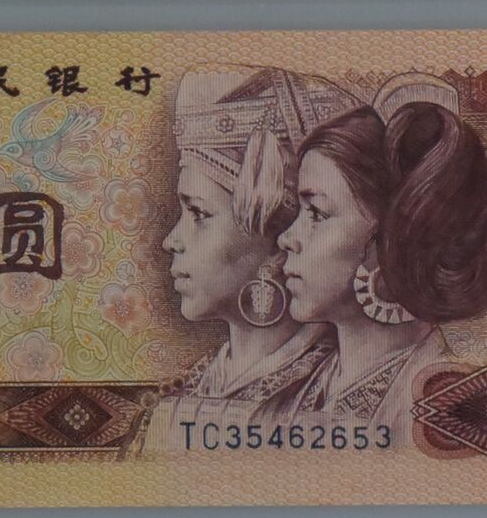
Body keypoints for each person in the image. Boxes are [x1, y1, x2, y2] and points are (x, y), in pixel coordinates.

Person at [266, 72, 487, 441]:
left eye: (316, 213)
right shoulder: (285, 401)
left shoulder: (451, 410)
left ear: (390, 236)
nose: (286, 238)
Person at [145, 65, 360, 451]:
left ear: (280, 238)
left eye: (199, 214)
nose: (171, 241)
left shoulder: (340, 399)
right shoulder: (187, 391)